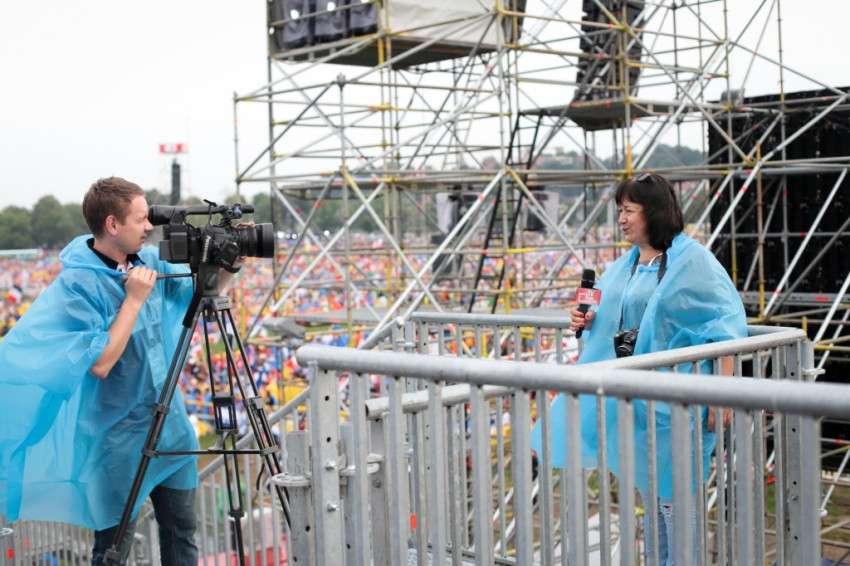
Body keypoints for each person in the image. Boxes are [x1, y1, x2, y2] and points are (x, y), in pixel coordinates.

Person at [0, 177, 240, 565]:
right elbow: (100, 363)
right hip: (114, 439)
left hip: (169, 423)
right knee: (113, 550)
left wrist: (229, 264)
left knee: (183, 534)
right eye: (141, 219)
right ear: (113, 224)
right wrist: (133, 300)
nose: (149, 227)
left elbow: (198, 301)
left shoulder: (150, 261)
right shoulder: (77, 284)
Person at [531, 172, 747, 566]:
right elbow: (617, 320)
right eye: (620, 210)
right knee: (653, 498)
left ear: (655, 211)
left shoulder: (693, 260)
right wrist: (586, 320)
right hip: (640, 402)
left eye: (629, 210)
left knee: (677, 500)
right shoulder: (625, 265)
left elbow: (724, 326)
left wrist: (723, 391)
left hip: (680, 400)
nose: (622, 219)